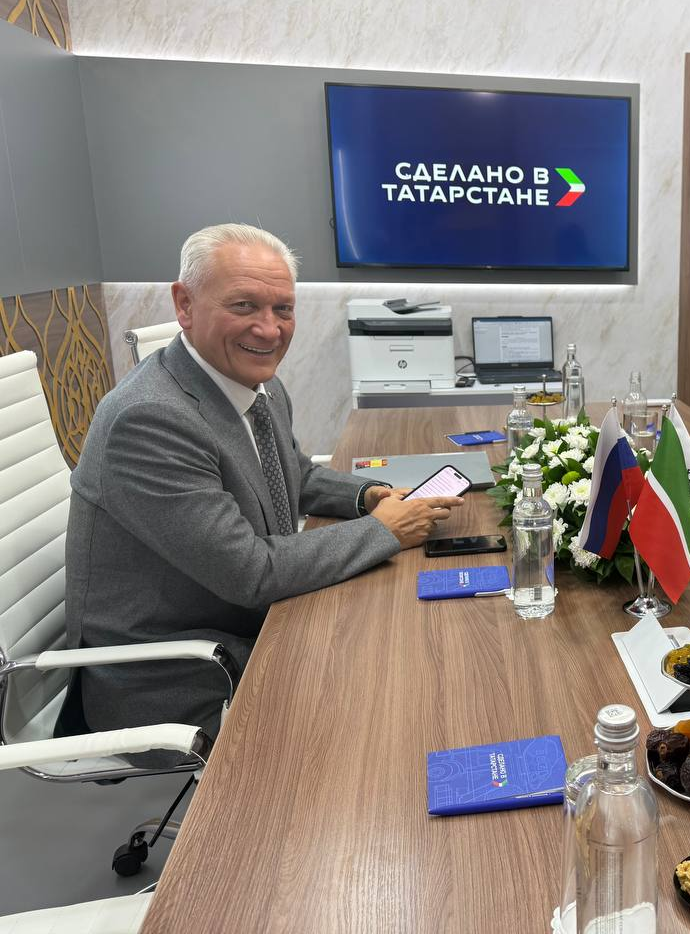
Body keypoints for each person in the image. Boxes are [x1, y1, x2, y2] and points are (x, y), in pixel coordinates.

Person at [62, 224, 464, 744]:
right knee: (389, 704)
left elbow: (296, 473)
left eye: (283, 309)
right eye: (244, 305)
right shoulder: (149, 420)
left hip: (249, 620)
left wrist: (366, 497)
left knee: (400, 647)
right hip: (176, 672)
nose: (270, 330)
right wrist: (384, 530)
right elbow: (249, 573)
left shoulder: (254, 384)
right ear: (184, 304)